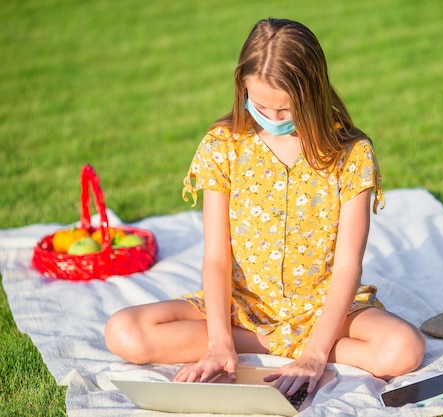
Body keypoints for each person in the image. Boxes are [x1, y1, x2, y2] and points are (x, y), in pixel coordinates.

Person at [105, 17, 425, 396]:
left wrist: (317, 353)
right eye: (260, 106)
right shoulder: (222, 144)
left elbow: (347, 266)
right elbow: (217, 257)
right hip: (242, 307)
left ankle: (300, 348)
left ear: (313, 95)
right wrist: (219, 341)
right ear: (242, 87)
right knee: (123, 332)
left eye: (285, 112)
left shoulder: (351, 154)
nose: (272, 120)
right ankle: (265, 345)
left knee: (405, 348)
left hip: (323, 309)